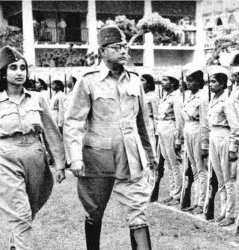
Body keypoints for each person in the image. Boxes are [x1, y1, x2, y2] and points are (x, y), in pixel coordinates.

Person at [63, 24, 156, 250]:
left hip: (131, 156)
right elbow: (73, 121)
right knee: (94, 210)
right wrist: (75, 157)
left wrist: (151, 155)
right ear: (102, 51)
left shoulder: (135, 79)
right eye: (117, 47)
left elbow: (143, 122)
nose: (123, 51)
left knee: (138, 212)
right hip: (97, 157)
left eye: (125, 47)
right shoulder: (88, 80)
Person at [0, 46, 65, 250]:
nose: (19, 72)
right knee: (21, 213)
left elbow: (52, 132)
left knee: (29, 210)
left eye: (22, 68)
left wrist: (60, 163)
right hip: (6, 157)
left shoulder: (39, 98)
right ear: (3, 72)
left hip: (36, 158)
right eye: (13, 68)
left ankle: (14, 246)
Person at [201, 65, 239, 226]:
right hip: (214, 136)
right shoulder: (213, 100)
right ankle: (224, 211)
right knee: (219, 178)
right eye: (209, 82)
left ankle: (231, 214)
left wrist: (233, 148)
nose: (211, 85)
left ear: (222, 84)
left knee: (229, 178)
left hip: (225, 136)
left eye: (214, 82)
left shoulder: (228, 101)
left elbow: (236, 128)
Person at [180, 65, 208, 214]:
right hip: (188, 129)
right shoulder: (188, 96)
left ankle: (202, 202)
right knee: (193, 167)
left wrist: (205, 143)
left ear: (198, 82)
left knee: (201, 168)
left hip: (197, 129)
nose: (188, 84)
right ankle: (197, 200)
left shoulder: (203, 97)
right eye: (187, 81)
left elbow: (204, 121)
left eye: (191, 81)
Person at [156, 69, 183, 206]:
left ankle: (177, 195)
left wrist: (179, 139)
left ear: (173, 83)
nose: (162, 82)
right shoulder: (166, 96)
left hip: (171, 129)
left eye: (165, 80)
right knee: (168, 163)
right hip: (163, 128)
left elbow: (179, 119)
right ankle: (173, 192)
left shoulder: (176, 98)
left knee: (174, 163)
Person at [141, 72, 159, 156]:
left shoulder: (153, 96)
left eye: (142, 80)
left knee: (150, 145)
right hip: (140, 123)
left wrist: (157, 132)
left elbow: (156, 114)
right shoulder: (139, 95)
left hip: (149, 123)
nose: (139, 83)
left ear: (148, 83)